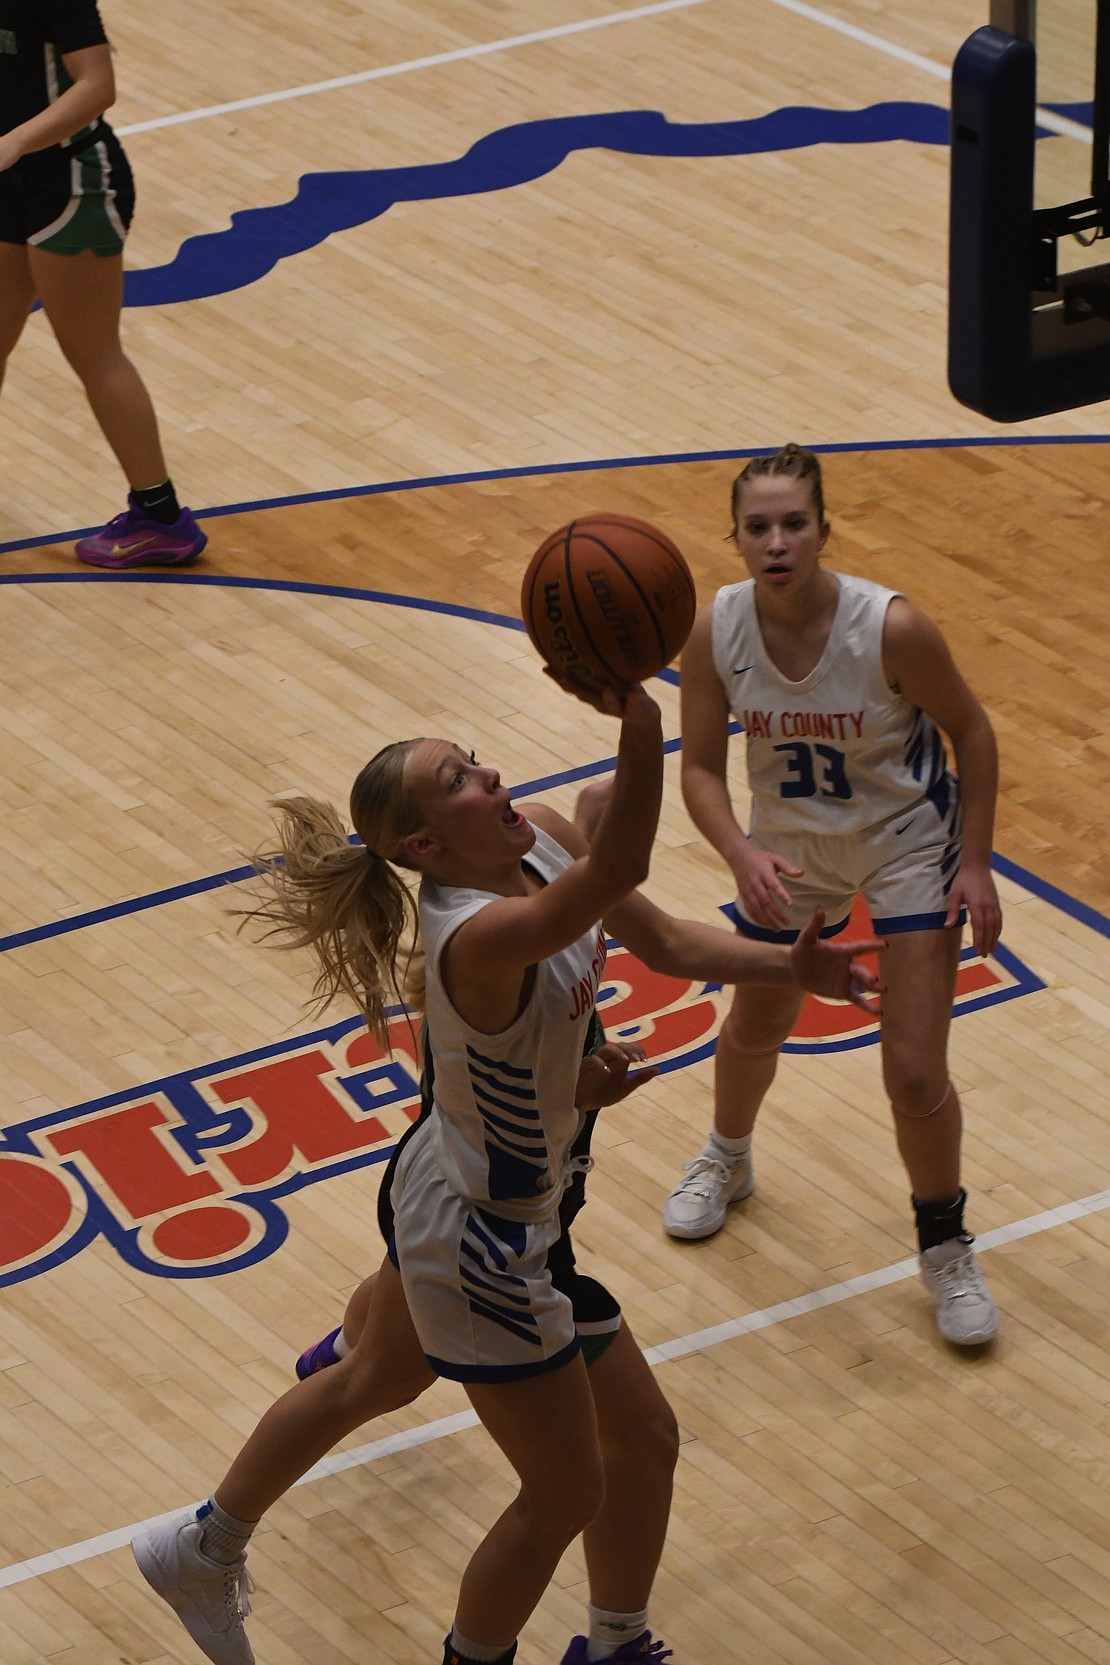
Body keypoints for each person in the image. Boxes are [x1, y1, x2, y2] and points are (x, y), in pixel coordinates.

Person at [131, 672, 883, 1665]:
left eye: (476, 760)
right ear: (425, 846)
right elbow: (620, 867)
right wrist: (642, 715)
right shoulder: (473, 935)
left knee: (616, 1435)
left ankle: (211, 1543)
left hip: (477, 1188)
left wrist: (787, 966)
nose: (490, 776)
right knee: (566, 1490)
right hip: (485, 1238)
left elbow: (662, 938)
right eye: (461, 780)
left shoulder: (543, 845)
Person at [665, 442, 1003, 1349]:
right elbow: (699, 769)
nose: (776, 541)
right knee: (757, 1023)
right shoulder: (716, 628)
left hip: (905, 840)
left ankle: (945, 1243)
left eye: (794, 523)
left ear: (824, 530)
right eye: (758, 527)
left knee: (915, 1069)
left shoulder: (891, 627)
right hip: (788, 848)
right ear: (735, 537)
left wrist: (975, 862)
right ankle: (727, 1158)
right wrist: (739, 850)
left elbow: (972, 730)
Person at [0, 0, 206, 567]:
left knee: (95, 356)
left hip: (72, 181)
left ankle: (162, 519)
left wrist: (14, 142)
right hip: (9, 180)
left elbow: (97, 85)